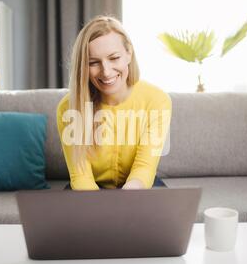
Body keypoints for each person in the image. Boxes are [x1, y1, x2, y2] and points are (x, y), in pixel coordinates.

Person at [56, 15, 171, 190]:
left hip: (138, 185)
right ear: (83, 66)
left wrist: (125, 203)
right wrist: (101, 210)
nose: (106, 71)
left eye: (114, 58)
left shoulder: (157, 101)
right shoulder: (68, 108)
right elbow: (81, 177)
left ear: (128, 54)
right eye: (93, 62)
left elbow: (144, 168)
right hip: (90, 188)